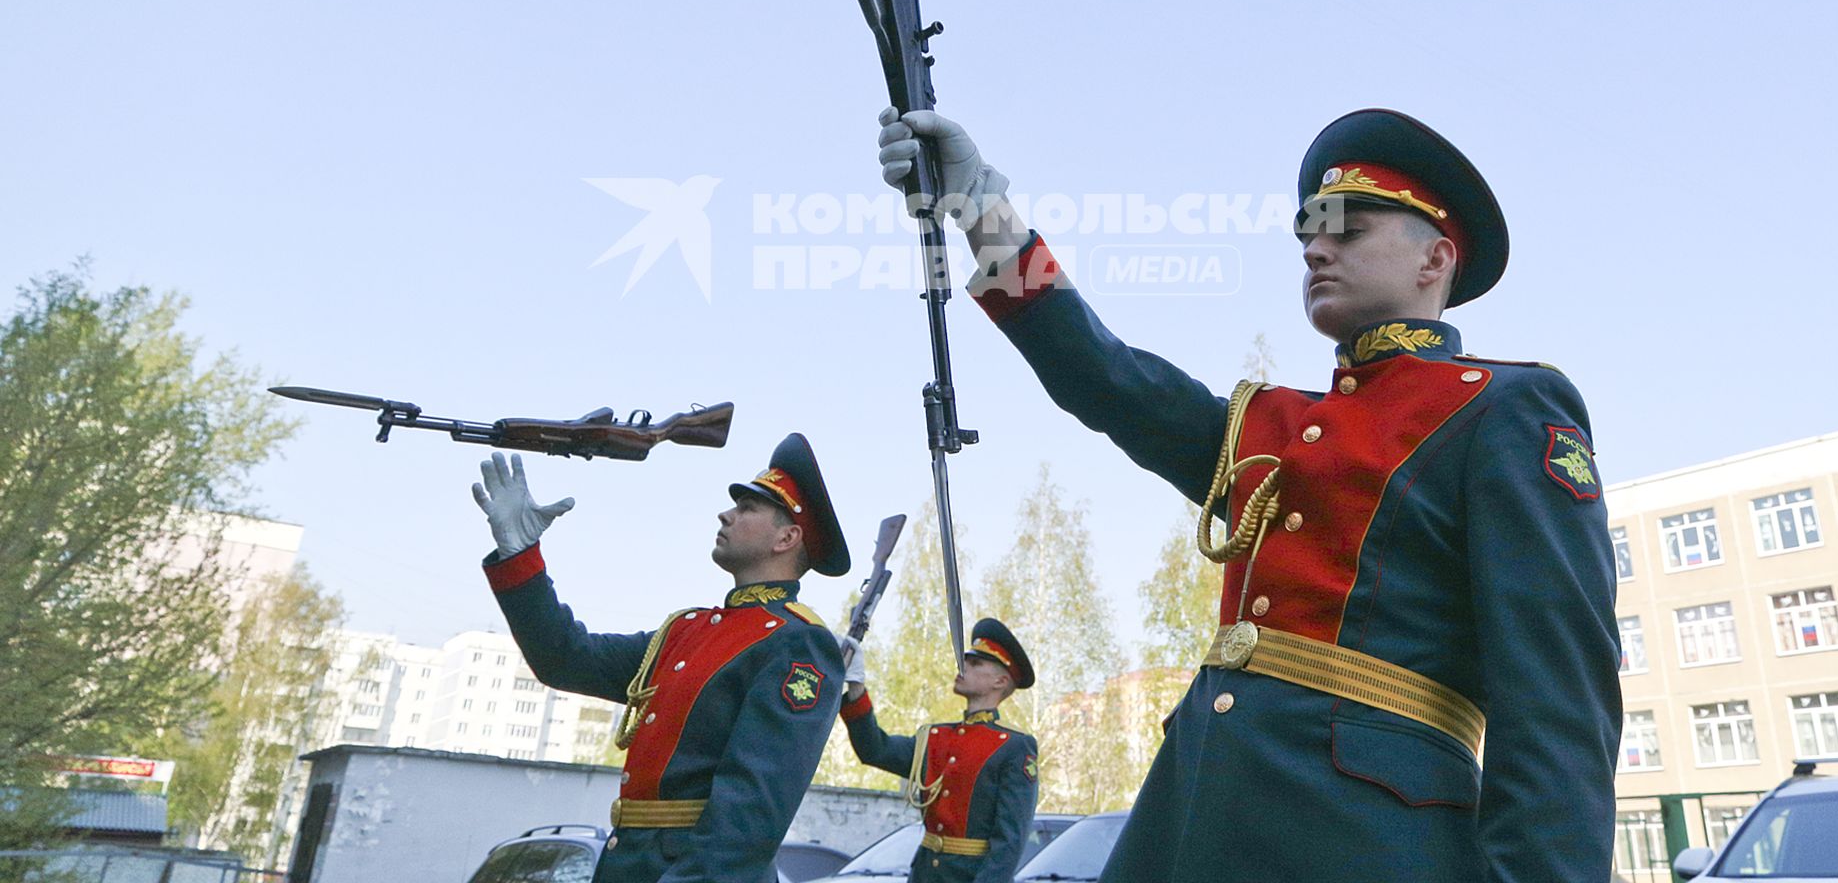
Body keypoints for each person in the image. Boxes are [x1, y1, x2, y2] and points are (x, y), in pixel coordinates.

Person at [873, 106, 1622, 883]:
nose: (1316, 250)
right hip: (1192, 811)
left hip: (1370, 839)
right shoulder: (1268, 424)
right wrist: (977, 207)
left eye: (1348, 230)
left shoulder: (1503, 408)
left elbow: (1558, 699)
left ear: (1435, 258)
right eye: (1308, 239)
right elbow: (1106, 377)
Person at [473, 434, 851, 883]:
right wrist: (520, 557)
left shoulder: (796, 643)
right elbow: (566, 659)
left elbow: (748, 820)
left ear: (787, 537)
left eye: (747, 509)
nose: (726, 513)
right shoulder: (684, 632)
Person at [837, 619, 1039, 883]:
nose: (962, 666)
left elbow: (1009, 842)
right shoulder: (934, 737)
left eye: (975, 664)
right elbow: (875, 750)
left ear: (1000, 681)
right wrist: (857, 688)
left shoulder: (1013, 746)